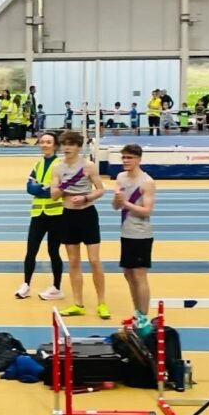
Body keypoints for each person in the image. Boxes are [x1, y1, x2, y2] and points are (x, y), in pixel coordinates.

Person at [50, 130, 109, 320]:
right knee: (74, 262)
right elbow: (53, 194)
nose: (67, 148)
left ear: (78, 147)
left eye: (71, 144)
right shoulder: (58, 168)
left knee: (94, 261)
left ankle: (102, 303)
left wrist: (86, 197)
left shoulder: (89, 166)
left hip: (88, 215)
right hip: (68, 216)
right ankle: (78, 303)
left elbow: (100, 190)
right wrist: (66, 184)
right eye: (64, 144)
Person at [15, 132, 63, 301]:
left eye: (48, 142)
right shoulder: (38, 164)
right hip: (38, 213)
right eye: (42, 142)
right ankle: (26, 284)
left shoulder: (60, 164)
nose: (44, 145)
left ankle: (57, 287)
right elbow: (30, 187)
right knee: (31, 250)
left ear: (55, 145)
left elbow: (58, 189)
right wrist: (43, 189)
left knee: (53, 251)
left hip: (56, 213)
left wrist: (43, 189)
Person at [112, 144, 155, 317]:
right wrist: (117, 200)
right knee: (128, 274)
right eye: (123, 157)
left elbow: (147, 211)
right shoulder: (121, 177)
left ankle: (143, 316)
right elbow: (115, 206)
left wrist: (125, 203)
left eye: (129, 158)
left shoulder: (147, 182)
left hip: (141, 233)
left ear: (139, 159)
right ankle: (137, 311)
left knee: (139, 274)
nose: (126, 161)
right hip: (126, 231)